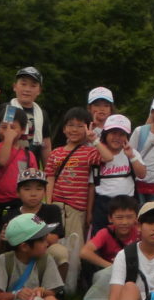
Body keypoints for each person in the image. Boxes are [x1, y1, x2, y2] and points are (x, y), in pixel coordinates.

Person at [45, 107, 111, 279]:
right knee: (54, 243)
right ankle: (53, 278)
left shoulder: (89, 152)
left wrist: (93, 138)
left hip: (76, 208)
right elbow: (50, 178)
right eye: (70, 125)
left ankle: (71, 282)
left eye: (80, 126)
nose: (74, 129)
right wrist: (49, 204)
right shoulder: (55, 153)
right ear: (64, 128)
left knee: (75, 247)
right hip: (56, 206)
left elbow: (108, 157)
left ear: (87, 128)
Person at [0, 212, 63, 300]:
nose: (47, 243)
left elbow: (52, 293)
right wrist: (16, 295)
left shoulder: (46, 259)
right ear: (24, 246)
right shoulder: (2, 260)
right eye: (42, 240)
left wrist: (42, 291)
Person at [0, 105, 40, 250]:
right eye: (3, 127)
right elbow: (1, 161)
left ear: (22, 130)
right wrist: (9, 139)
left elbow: (34, 183)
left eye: (13, 127)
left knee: (17, 243)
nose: (8, 131)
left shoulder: (28, 155)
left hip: (19, 206)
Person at [90, 114, 146, 231]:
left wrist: (131, 157)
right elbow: (91, 185)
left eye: (121, 134)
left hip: (127, 203)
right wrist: (89, 212)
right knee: (101, 236)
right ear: (106, 134)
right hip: (103, 204)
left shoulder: (131, 152)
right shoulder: (97, 153)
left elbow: (142, 174)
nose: (117, 137)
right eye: (113, 133)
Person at [0, 168, 64, 255]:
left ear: (45, 191)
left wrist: (18, 234)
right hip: (19, 257)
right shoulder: (10, 214)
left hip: (45, 255)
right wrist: (1, 239)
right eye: (27, 189)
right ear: (18, 192)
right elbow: (1, 249)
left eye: (39, 189)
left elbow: (53, 239)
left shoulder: (52, 210)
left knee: (59, 251)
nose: (33, 194)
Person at [80, 195, 141, 276]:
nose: (124, 222)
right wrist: (112, 267)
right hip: (111, 273)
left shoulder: (140, 232)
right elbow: (84, 252)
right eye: (119, 218)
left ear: (136, 217)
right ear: (110, 218)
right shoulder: (105, 233)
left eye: (129, 217)